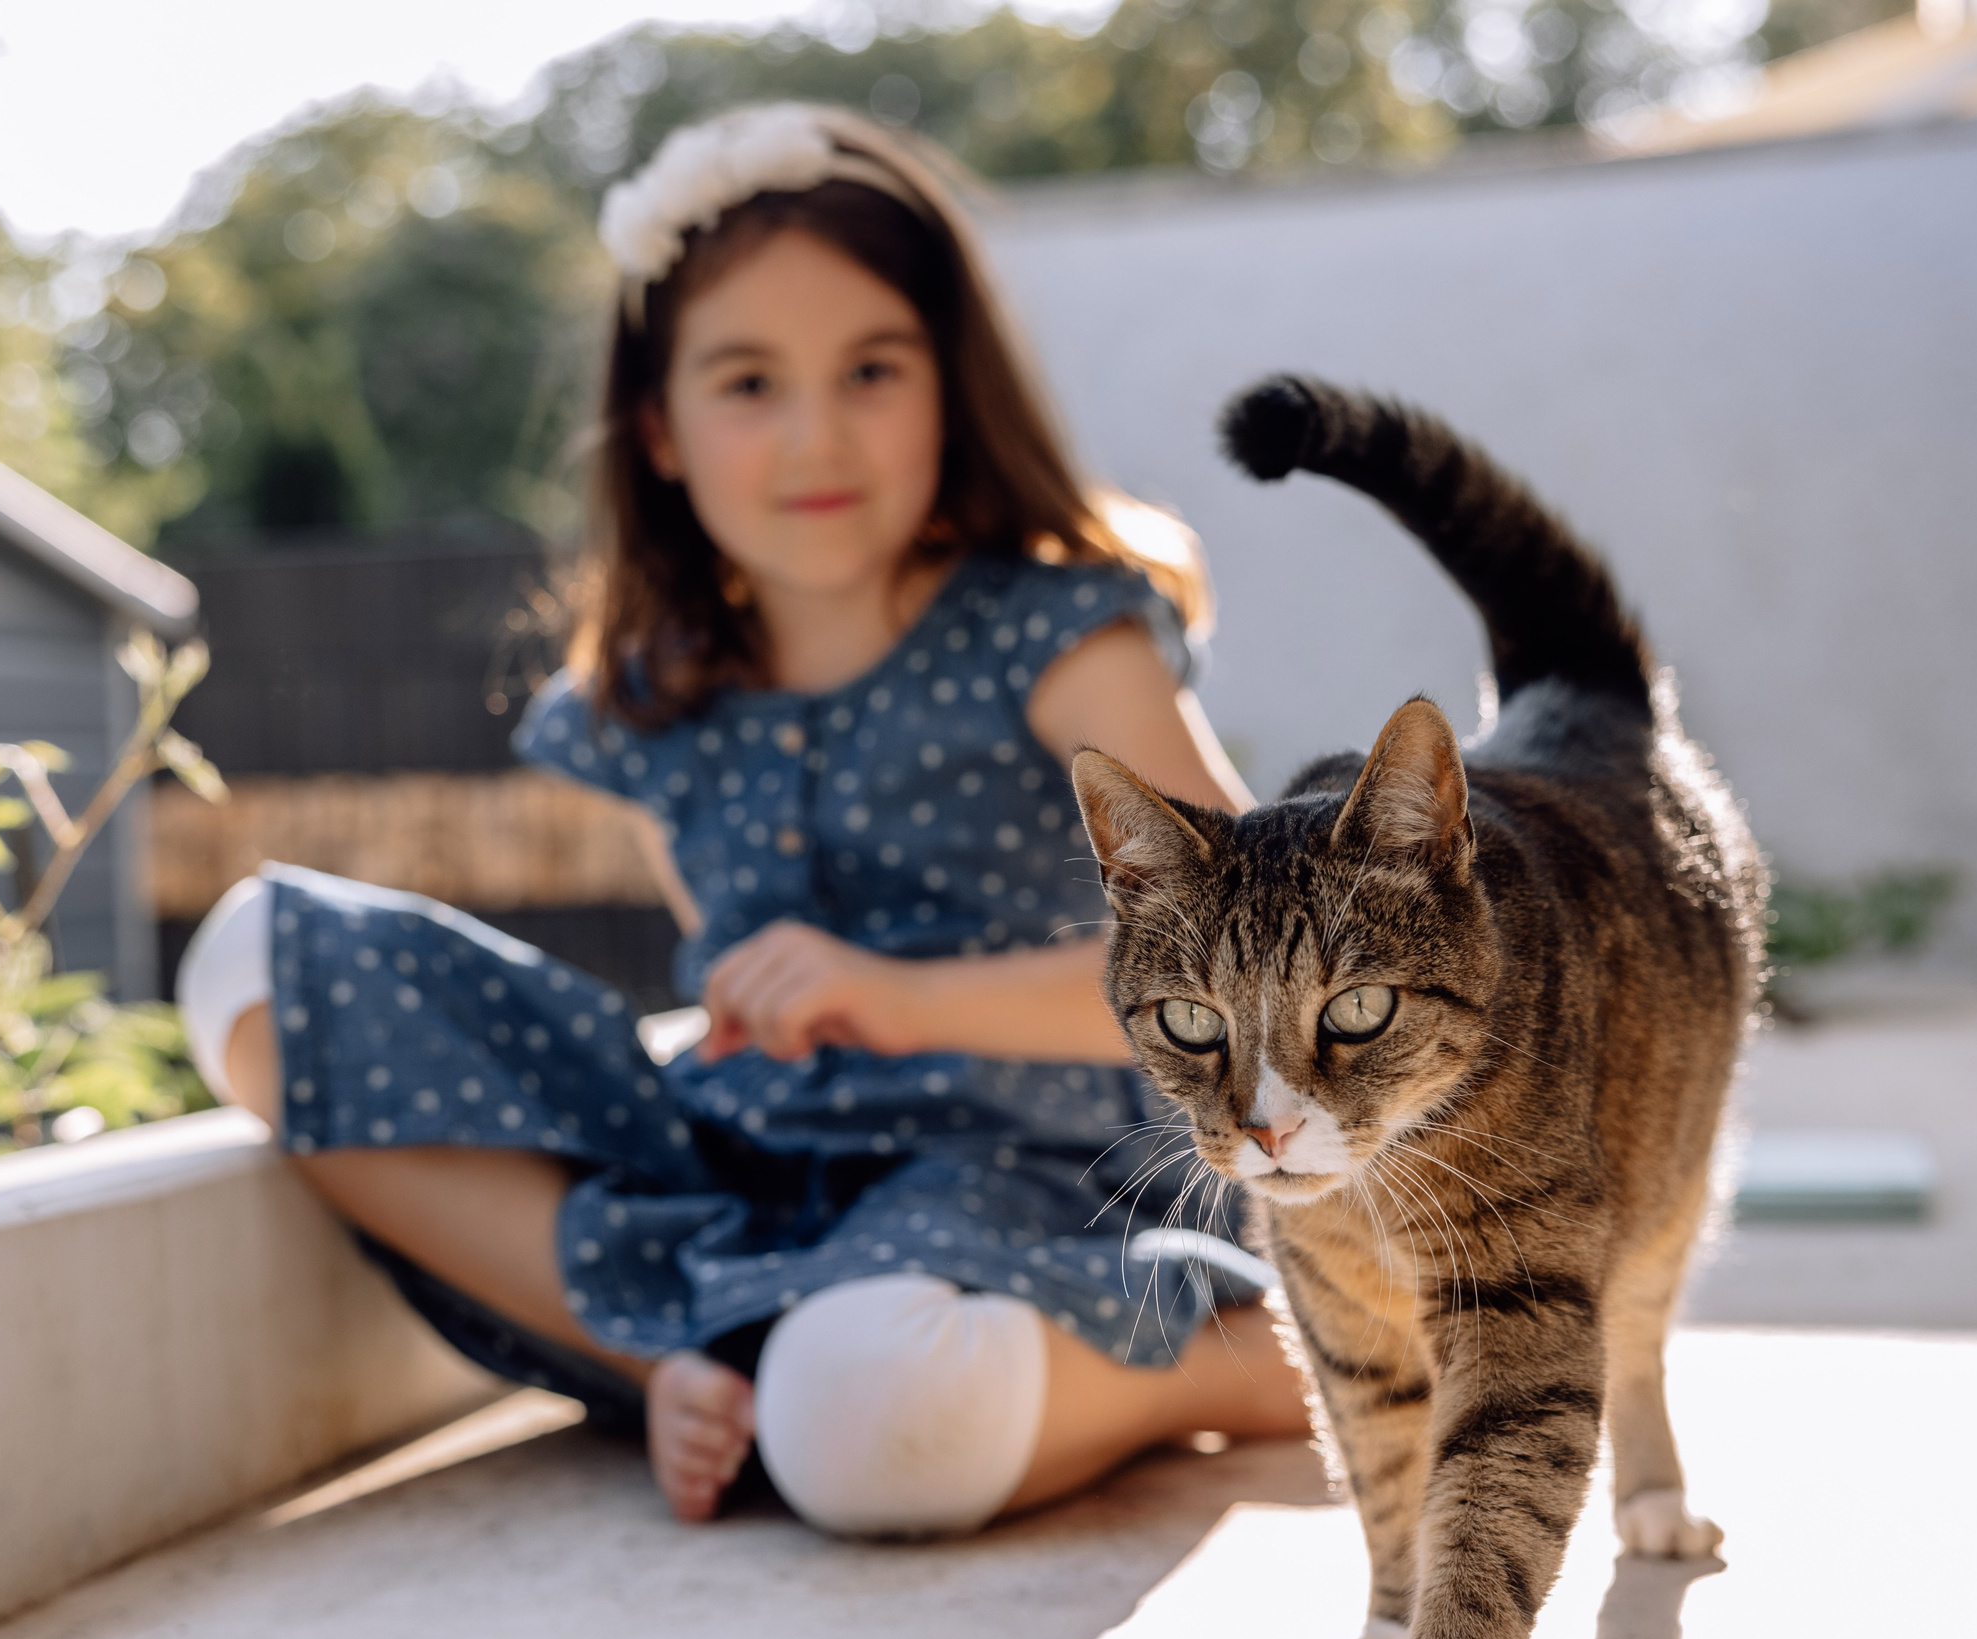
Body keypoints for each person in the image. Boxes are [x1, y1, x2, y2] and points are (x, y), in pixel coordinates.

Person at [176, 102, 1311, 1537]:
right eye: (749, 381)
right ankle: (676, 1356)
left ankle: (1215, 1362)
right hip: (754, 1173)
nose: (814, 435)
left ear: (952, 386)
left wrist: (901, 998)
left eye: (873, 370)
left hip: (1022, 1177)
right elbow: (733, 985)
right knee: (253, 959)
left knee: (861, 1429)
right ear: (659, 428)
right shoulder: (652, 700)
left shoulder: (1060, 633)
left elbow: (1258, 975)